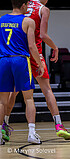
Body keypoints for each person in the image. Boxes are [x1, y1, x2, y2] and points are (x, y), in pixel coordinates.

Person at [2, 0, 70, 142]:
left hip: (14, 53)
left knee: (12, 93)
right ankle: (58, 125)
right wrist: (55, 47)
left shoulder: (24, 5)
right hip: (32, 54)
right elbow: (42, 36)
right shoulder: (43, 9)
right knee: (46, 90)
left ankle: (4, 125)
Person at [0, 0, 45, 145]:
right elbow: (32, 46)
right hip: (20, 60)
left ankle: (0, 134)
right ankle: (31, 133)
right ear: (24, 5)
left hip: (3, 60)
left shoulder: (1, 20)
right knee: (29, 99)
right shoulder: (28, 21)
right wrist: (40, 64)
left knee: (2, 101)